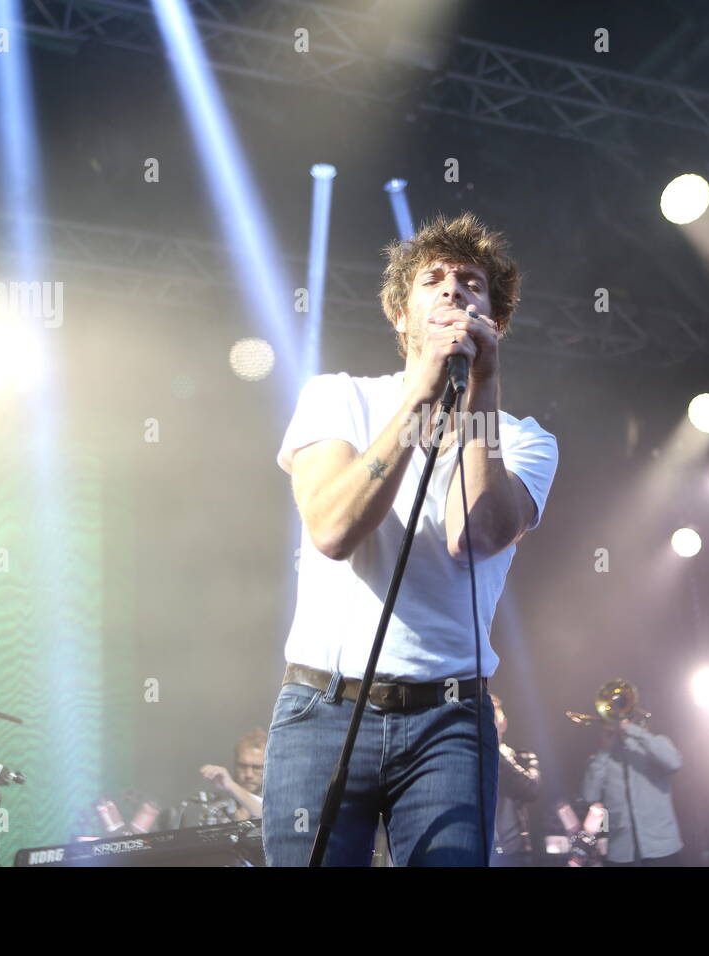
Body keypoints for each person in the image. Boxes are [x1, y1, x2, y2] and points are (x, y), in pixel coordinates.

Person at [261, 212, 559, 866]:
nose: (455, 291)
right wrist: (421, 395)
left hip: (450, 724)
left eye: (473, 284)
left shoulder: (528, 439)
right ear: (401, 315)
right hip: (324, 711)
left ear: (497, 321)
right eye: (434, 280)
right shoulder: (337, 398)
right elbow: (334, 529)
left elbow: (474, 536)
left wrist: (480, 387)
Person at [581, 706, 685, 866]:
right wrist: (603, 751)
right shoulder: (601, 758)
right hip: (621, 852)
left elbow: (674, 762)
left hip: (662, 847)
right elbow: (589, 796)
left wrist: (631, 730)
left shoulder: (656, 744)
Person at [489, 692, 539, 866]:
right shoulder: (470, 760)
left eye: (492, 717)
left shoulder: (522, 757)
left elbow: (532, 790)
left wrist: (494, 751)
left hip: (514, 853)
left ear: (504, 723)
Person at [199, 728, 266, 821]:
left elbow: (269, 815)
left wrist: (231, 785)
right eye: (242, 766)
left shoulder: (282, 806)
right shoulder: (216, 811)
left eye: (257, 767)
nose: (248, 775)